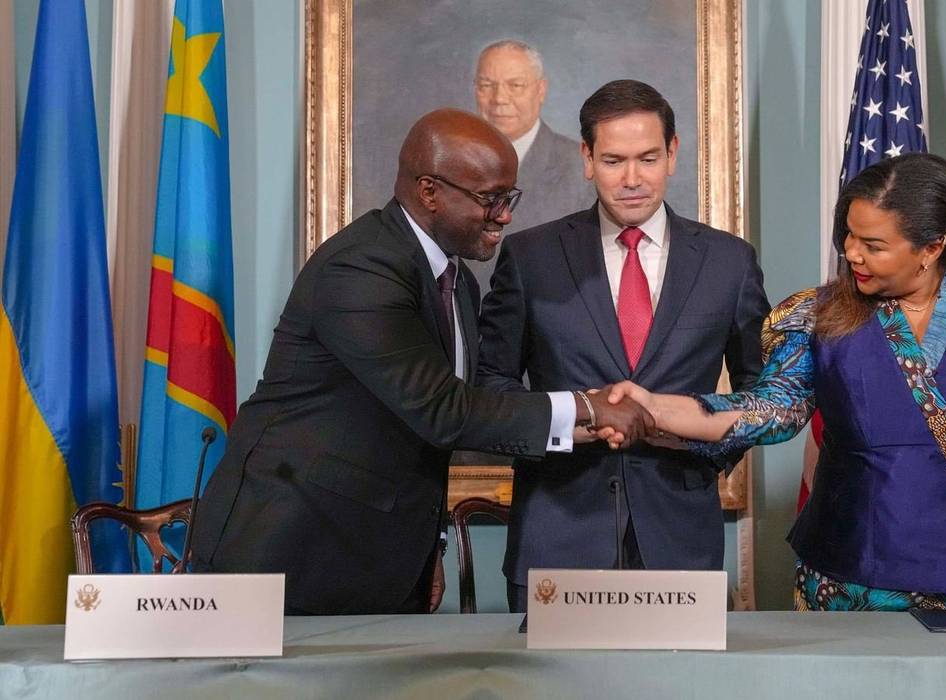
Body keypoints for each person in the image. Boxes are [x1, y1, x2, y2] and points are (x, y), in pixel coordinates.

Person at [189, 109, 652, 616]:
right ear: (430, 192)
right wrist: (589, 410)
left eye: (509, 198)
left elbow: (440, 428)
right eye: (490, 199)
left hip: (384, 554)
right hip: (291, 548)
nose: (504, 216)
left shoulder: (459, 284)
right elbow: (442, 410)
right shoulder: (361, 268)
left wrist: (424, 545)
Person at [606, 153, 946, 611]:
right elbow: (771, 410)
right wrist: (654, 407)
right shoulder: (815, 315)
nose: (851, 253)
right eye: (847, 235)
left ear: (932, 247)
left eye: (874, 245)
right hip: (851, 578)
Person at [476, 80, 771, 612]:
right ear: (587, 158)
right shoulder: (529, 257)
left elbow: (762, 396)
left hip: (682, 541)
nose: (632, 179)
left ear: (673, 154)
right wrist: (581, 421)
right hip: (556, 536)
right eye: (614, 160)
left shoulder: (731, 263)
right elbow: (490, 387)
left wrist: (694, 442)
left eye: (648, 158)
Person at [468, 39, 594, 290]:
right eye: (486, 85)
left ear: (541, 90)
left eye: (515, 85)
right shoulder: (457, 163)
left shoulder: (580, 168)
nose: (499, 98)